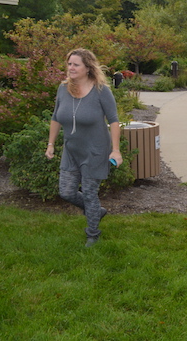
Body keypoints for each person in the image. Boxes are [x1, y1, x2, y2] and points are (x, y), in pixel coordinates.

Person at [45, 48, 122, 248]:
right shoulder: (63, 89)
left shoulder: (101, 91)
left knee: (89, 193)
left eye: (76, 64)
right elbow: (55, 117)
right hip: (72, 150)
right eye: (69, 64)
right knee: (67, 192)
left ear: (88, 68)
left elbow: (114, 121)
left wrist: (116, 150)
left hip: (95, 150)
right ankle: (96, 211)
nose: (71, 68)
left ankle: (93, 233)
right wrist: (51, 144)